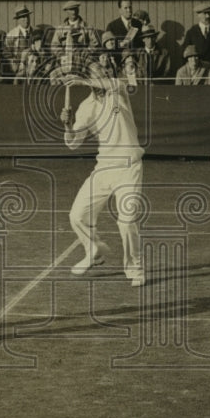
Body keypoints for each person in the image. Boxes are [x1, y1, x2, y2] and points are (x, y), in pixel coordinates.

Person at [60, 55, 146, 286]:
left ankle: (135, 267)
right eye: (98, 72)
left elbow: (113, 83)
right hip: (104, 168)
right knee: (77, 216)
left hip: (129, 167)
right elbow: (73, 143)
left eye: (104, 71)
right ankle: (94, 250)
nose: (104, 74)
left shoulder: (118, 90)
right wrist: (67, 125)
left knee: (127, 220)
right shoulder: (86, 106)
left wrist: (81, 82)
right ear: (90, 76)